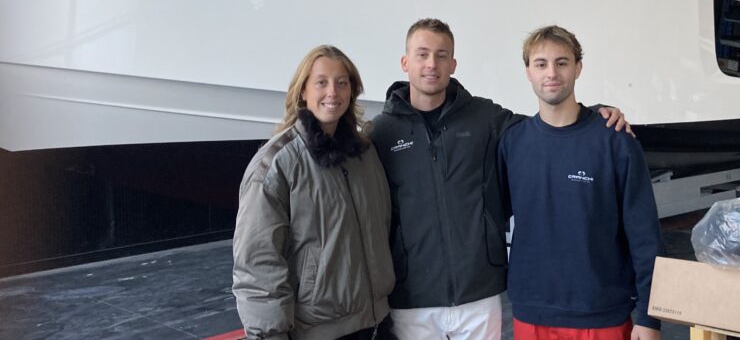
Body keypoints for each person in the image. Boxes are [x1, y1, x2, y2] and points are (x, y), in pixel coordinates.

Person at [369, 19, 629, 340]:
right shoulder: (380, 133)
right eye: (422, 55)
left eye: (441, 55)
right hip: (412, 299)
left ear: (453, 63)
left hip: (480, 293)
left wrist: (596, 113)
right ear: (405, 62)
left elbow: (549, 127)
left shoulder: (483, 117)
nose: (431, 64)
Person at [498, 25, 663, 340]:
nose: (552, 73)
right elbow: (491, 218)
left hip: (601, 314)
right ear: (528, 72)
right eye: (541, 64)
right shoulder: (513, 143)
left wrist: (649, 316)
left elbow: (645, 236)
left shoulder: (615, 141)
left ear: (578, 68)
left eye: (562, 62)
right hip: (532, 311)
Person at [233, 45, 395, 340]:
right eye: (321, 82)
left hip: (376, 324)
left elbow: (381, 228)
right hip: (317, 331)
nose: (333, 91)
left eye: (342, 82)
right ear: (303, 91)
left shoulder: (365, 154)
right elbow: (258, 262)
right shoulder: (276, 163)